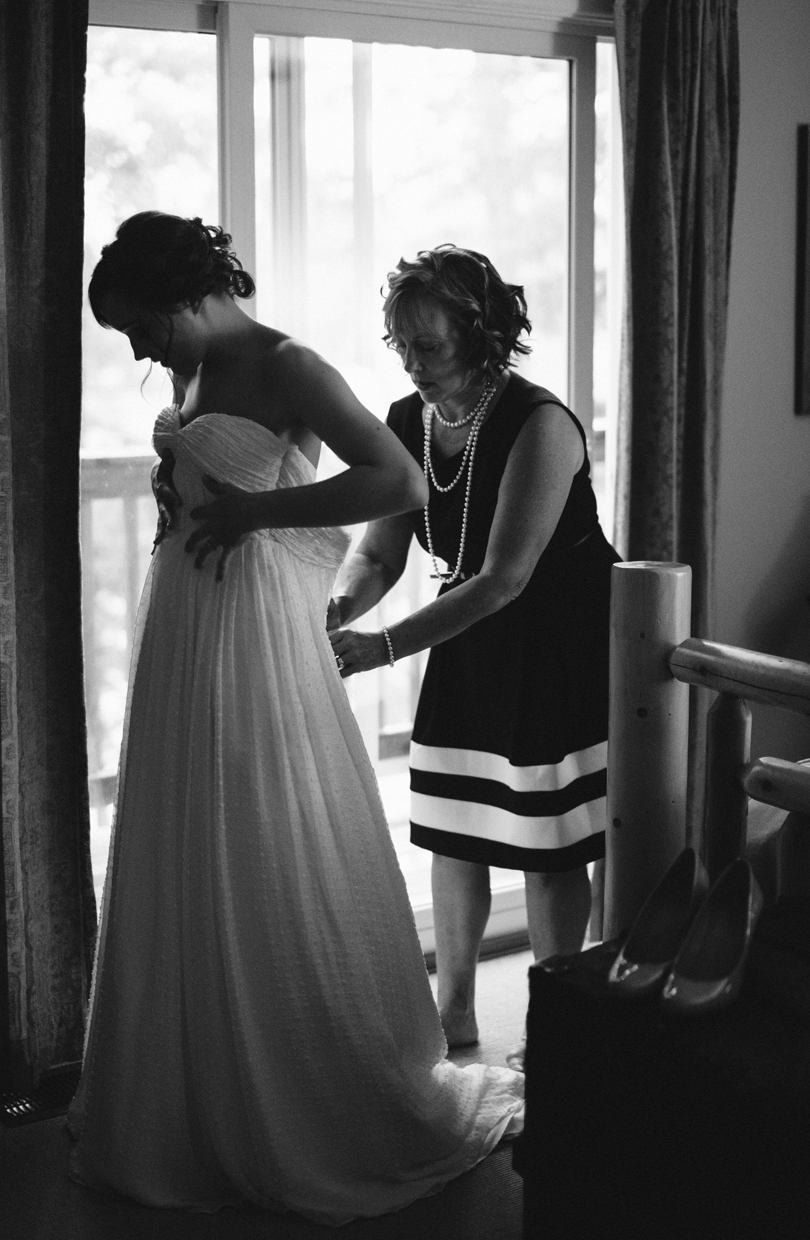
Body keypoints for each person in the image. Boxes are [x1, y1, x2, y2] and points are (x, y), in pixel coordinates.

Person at [67, 212, 524, 1226]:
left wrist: (251, 513)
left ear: (184, 293)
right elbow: (213, 481)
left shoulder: (289, 365)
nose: (139, 349)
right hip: (188, 626)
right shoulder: (193, 368)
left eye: (140, 325)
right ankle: (195, 1092)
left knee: (264, 838)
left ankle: (303, 1094)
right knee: (192, 843)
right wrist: (178, 482)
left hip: (255, 642)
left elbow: (394, 483)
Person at [327, 245, 619, 1060]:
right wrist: (339, 609)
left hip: (554, 637)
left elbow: (506, 577)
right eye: (403, 345)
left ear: (480, 335)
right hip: (467, 624)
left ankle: (558, 1020)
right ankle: (453, 1010)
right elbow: (381, 554)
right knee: (453, 827)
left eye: (431, 346)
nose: (414, 364)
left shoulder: (542, 422)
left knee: (547, 839)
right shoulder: (403, 422)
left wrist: (380, 647)